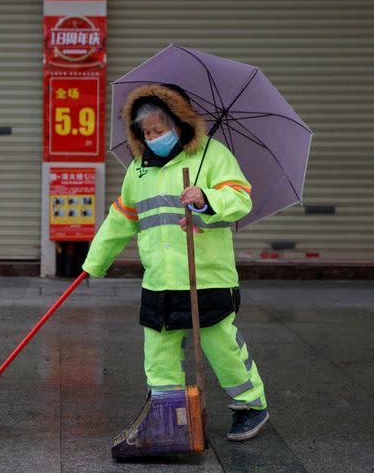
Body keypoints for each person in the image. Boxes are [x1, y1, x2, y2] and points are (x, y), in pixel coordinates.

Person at [82, 83, 268, 442]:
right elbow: (122, 217)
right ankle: (168, 413)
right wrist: (96, 260)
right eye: (146, 132)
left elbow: (240, 197)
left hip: (207, 275)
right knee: (159, 351)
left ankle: (250, 404)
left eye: (159, 129)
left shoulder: (213, 156)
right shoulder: (139, 169)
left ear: (179, 123)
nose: (152, 137)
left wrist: (205, 199)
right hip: (159, 278)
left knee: (221, 346)